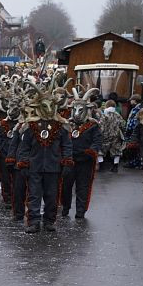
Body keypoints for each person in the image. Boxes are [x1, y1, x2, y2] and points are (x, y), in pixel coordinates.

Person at [16, 92, 72, 234]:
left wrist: (66, 162)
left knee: (52, 196)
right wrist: (23, 162)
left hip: (53, 167)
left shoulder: (61, 125)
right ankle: (34, 222)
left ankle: (49, 221)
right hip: (35, 166)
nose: (48, 109)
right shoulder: (31, 125)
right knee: (34, 195)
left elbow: (67, 145)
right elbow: (24, 147)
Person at [61, 100, 101, 220]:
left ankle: (80, 211)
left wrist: (91, 151)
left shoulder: (93, 126)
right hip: (70, 161)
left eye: (80, 110)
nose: (77, 113)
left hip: (85, 161)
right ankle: (65, 207)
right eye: (75, 110)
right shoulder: (67, 125)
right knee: (66, 186)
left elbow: (97, 141)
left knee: (83, 186)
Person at [98, 100, 126, 173]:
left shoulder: (104, 115)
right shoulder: (117, 115)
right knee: (116, 151)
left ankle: (101, 166)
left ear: (106, 106)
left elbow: (101, 126)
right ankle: (115, 166)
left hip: (105, 136)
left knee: (100, 150)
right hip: (116, 136)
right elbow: (123, 125)